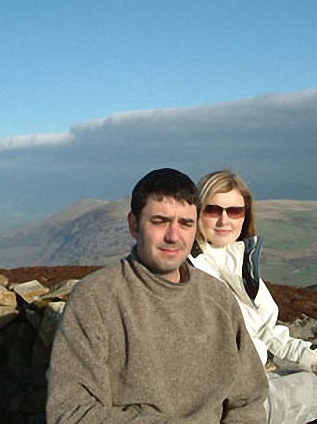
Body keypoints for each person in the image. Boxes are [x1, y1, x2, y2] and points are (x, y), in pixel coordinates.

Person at [46, 168, 268, 423]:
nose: (174, 236)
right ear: (134, 224)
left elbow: (248, 398)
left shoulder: (217, 297)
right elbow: (70, 412)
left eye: (186, 223)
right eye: (160, 221)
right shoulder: (95, 299)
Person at [189, 170, 317, 424]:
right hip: (233, 404)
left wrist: (314, 361)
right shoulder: (189, 272)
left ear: (246, 215)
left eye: (234, 211)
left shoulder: (237, 262)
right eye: (213, 210)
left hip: (253, 382)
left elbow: (268, 332)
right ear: (196, 212)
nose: (224, 220)